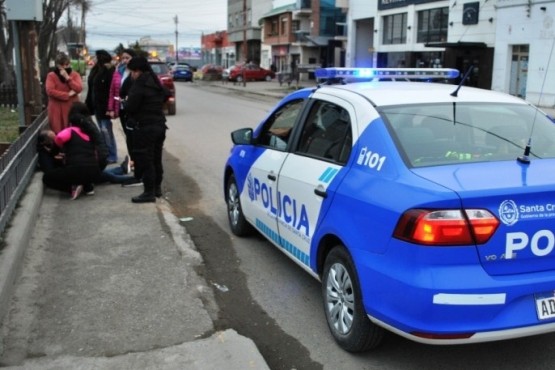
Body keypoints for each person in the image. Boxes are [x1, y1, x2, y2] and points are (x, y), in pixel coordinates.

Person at [124, 56, 168, 203]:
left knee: (146, 159)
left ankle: (149, 192)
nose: (131, 75)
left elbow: (131, 106)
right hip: (160, 125)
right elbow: (166, 95)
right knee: (156, 158)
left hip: (145, 127)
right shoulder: (154, 81)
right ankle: (157, 188)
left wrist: (126, 104)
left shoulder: (139, 84)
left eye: (132, 72)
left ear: (137, 71)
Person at [42, 103, 104, 200]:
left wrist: (53, 151)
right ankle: (88, 187)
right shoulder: (89, 133)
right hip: (94, 171)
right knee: (84, 168)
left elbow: (58, 138)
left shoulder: (69, 131)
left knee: (47, 178)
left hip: (76, 170)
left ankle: (71, 189)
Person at [85, 49, 117, 163]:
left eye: (96, 57)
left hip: (104, 107)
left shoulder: (108, 70)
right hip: (96, 106)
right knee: (103, 131)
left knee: (106, 132)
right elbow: (91, 87)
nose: (94, 59)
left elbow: (111, 90)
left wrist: (110, 107)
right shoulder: (96, 70)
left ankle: (112, 155)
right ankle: (106, 154)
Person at [107, 48, 136, 171]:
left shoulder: (136, 72)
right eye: (123, 58)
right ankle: (132, 159)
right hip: (122, 108)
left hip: (134, 109)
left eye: (127, 58)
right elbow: (113, 91)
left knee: (135, 136)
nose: (124, 60)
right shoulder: (118, 71)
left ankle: (137, 159)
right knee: (128, 135)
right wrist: (111, 108)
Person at [45, 53, 83, 133]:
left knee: (72, 131)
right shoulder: (51, 76)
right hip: (56, 109)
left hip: (71, 108)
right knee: (58, 132)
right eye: (61, 65)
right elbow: (50, 91)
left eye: (66, 64)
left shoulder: (75, 75)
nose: (64, 67)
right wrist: (67, 94)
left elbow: (78, 88)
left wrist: (68, 78)